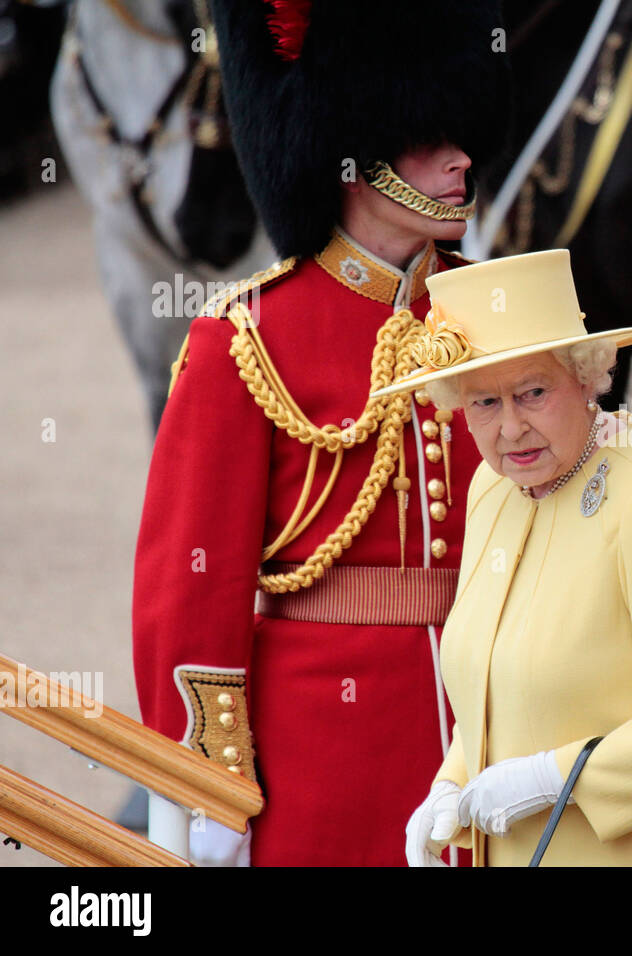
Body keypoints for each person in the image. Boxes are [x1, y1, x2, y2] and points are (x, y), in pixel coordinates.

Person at [131, 0, 509, 865]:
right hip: (327, 751)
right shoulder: (244, 338)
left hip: (499, 726)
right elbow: (192, 591)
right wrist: (209, 783)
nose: (463, 159)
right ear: (354, 151)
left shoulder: (499, 309)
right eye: (428, 136)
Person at [394, 249, 632, 866]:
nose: (510, 428)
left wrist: (556, 777)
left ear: (587, 377)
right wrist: (451, 784)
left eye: (532, 392)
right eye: (484, 403)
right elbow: (493, 682)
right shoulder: (493, 491)